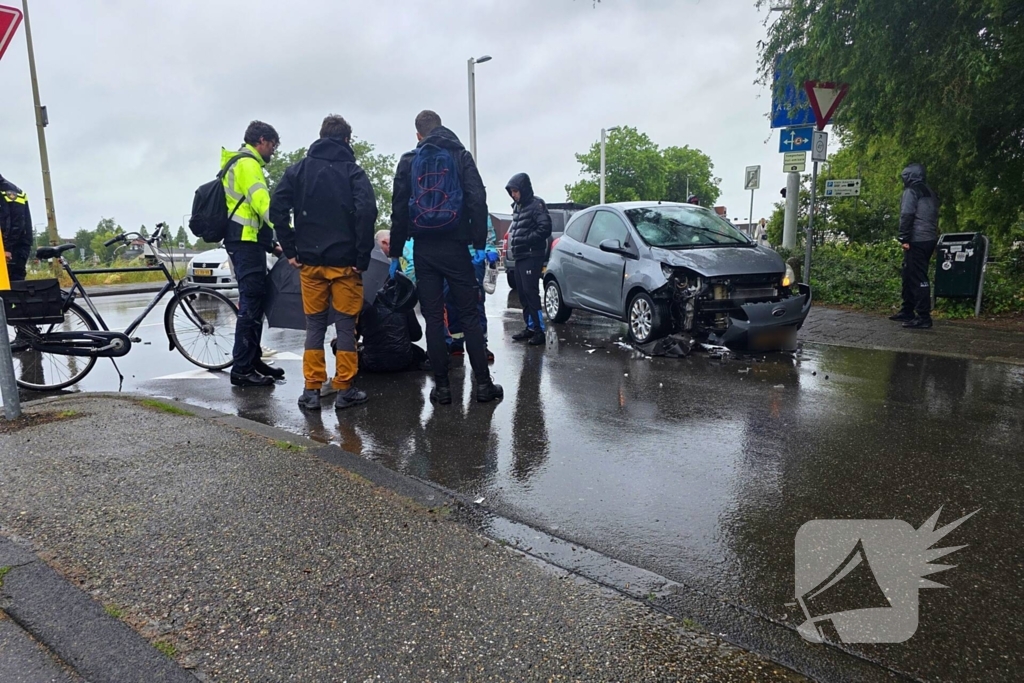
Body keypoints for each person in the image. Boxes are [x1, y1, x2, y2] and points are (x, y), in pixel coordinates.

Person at [389, 110, 502, 405]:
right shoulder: (460, 155)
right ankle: (483, 386)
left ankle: (442, 389)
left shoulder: (409, 161)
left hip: (424, 250)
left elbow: (398, 209)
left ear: (418, 135)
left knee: (433, 319)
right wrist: (479, 244)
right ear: (442, 127)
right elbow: (477, 199)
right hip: (456, 247)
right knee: (469, 316)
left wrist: (396, 252)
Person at [270, 114, 377, 410]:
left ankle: (311, 389)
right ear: (346, 140)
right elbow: (367, 211)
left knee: (315, 325)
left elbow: (277, 208)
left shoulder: (298, 171)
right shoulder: (353, 172)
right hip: (346, 264)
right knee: (345, 326)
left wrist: (290, 249)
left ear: (321, 136)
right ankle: (345, 388)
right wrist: (361, 255)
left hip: (310, 263)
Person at [222, 121, 283, 387]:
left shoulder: (242, 162)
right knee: (250, 304)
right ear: (262, 141)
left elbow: (251, 213)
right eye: (273, 146)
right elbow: (262, 205)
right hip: (245, 244)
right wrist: (287, 231)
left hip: (249, 242)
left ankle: (253, 359)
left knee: (256, 303)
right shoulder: (248, 163)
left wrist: (271, 244)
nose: (273, 152)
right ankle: (242, 369)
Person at [356, 230, 429, 373]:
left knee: (342, 345)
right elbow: (416, 335)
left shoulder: (364, 303)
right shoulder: (401, 302)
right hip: (403, 361)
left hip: (372, 363)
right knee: (417, 352)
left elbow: (354, 336)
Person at [890, 163, 939, 329]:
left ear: (909, 177)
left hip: (916, 239)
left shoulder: (911, 191)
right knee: (910, 274)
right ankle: (908, 310)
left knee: (917, 277)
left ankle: (923, 316)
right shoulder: (930, 191)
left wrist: (904, 237)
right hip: (929, 238)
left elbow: (907, 214)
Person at [505, 173, 551, 346]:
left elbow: (545, 228)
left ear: (523, 189)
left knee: (531, 293)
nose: (513, 195)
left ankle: (539, 331)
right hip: (520, 255)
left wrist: (526, 240)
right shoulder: (518, 207)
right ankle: (530, 327)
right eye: (511, 192)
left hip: (532, 255)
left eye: (516, 191)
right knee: (523, 293)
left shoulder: (536, 205)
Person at [0, 175, 33, 283]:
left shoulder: (9, 191)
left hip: (15, 247)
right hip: (6, 246)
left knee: (13, 285)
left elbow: (16, 222)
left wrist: (7, 248)